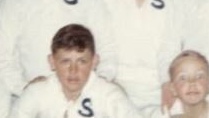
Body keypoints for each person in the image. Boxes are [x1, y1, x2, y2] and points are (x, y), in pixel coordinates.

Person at [10, 24, 139, 117]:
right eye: (65, 61)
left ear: (94, 62)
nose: (73, 70)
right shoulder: (37, 92)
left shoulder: (109, 95)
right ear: (52, 62)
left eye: (82, 61)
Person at [145, 50, 209, 118]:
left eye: (199, 76)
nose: (192, 82)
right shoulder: (161, 114)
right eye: (183, 78)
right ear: (173, 88)